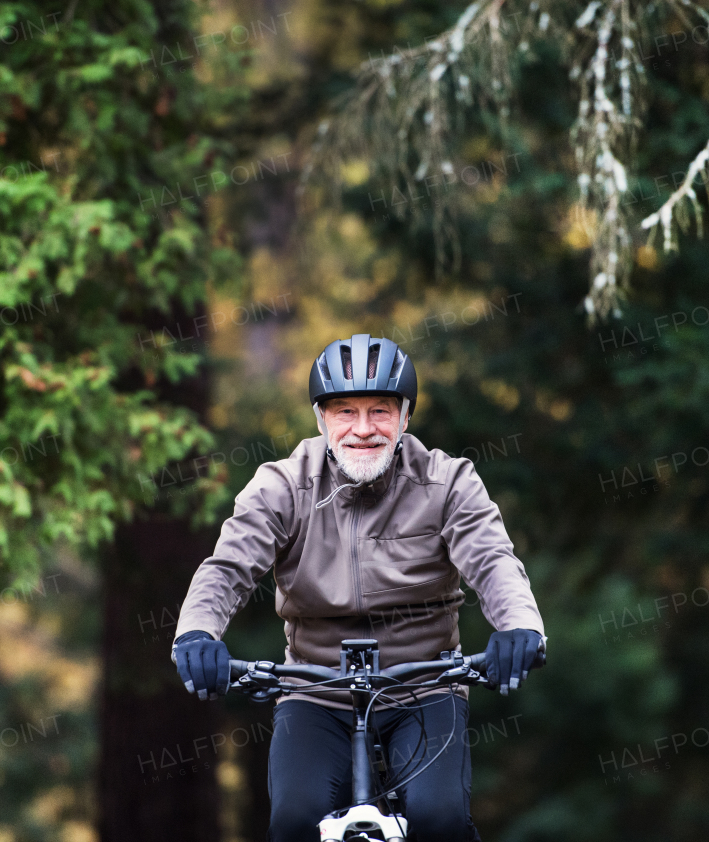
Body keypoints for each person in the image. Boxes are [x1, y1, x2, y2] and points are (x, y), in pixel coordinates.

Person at [171, 333, 546, 842]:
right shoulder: (282, 485)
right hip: (315, 689)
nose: (363, 429)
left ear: (406, 417)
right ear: (321, 419)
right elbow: (228, 567)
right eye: (345, 411)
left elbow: (492, 559)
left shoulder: (448, 481)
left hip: (424, 684)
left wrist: (519, 626)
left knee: (440, 821)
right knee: (293, 822)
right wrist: (197, 633)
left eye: (381, 411)